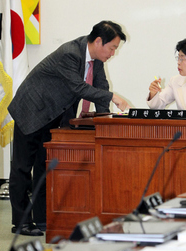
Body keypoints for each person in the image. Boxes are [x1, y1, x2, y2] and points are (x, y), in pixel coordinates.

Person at [8, 20, 129, 236]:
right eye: (112, 48)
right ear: (99, 41)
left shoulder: (96, 59)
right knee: (23, 168)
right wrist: (114, 98)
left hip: (53, 114)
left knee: (45, 168)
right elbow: (79, 87)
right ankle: (22, 222)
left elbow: (100, 87)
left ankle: (42, 218)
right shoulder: (70, 53)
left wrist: (104, 119)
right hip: (32, 109)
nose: (113, 53)